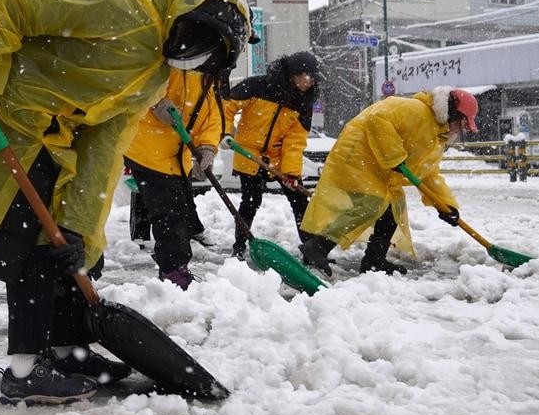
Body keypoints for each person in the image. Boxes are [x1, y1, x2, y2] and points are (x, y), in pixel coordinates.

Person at [0, 0, 255, 405]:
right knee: (32, 247)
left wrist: (80, 224)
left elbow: (103, 144)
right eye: (196, 39)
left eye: (207, 55)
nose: (193, 54)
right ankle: (25, 370)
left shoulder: (153, 75)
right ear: (183, 12)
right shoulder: (113, 1)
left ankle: (68, 350)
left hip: (50, 140)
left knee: (61, 245)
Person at [298, 86, 477, 278]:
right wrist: (394, 155)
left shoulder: (436, 136)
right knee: (371, 204)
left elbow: (428, 173)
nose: (462, 129)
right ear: (453, 115)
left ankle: (374, 260)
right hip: (357, 154)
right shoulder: (417, 110)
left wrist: (446, 206)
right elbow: (377, 118)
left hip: (378, 166)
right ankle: (317, 247)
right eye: (463, 123)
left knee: (392, 211)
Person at [121, 66, 225, 291]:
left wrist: (207, 146)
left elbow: (212, 114)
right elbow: (126, 78)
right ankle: (173, 273)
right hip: (148, 149)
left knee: (182, 210)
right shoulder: (170, 47)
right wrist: (153, 100)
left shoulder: (210, 69)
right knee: (170, 214)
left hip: (179, 156)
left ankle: (176, 270)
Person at [224, 51, 322, 258]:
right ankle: (239, 246)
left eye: (314, 78)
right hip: (248, 153)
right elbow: (226, 105)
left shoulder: (303, 102)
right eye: (309, 77)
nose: (311, 82)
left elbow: (295, 141)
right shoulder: (258, 85)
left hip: (277, 158)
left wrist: (291, 173)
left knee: (298, 201)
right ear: (294, 74)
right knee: (251, 201)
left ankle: (311, 250)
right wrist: (226, 132)